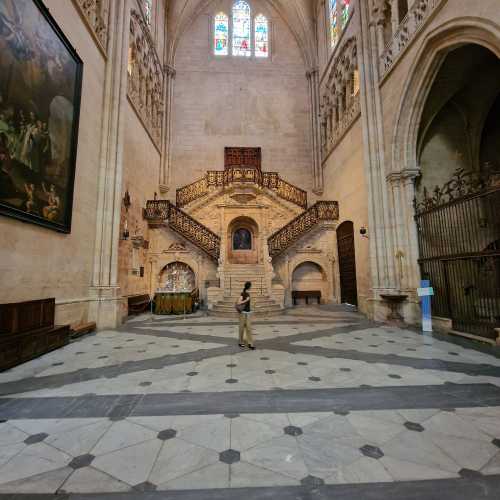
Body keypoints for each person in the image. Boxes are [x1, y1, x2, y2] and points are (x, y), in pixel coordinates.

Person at [237, 281, 255, 350]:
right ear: (249, 286)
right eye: (251, 286)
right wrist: (246, 300)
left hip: (248, 313)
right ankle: (240, 342)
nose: (251, 287)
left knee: (249, 328)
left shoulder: (248, 293)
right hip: (243, 313)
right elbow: (238, 302)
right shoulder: (243, 293)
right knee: (241, 328)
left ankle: (250, 343)